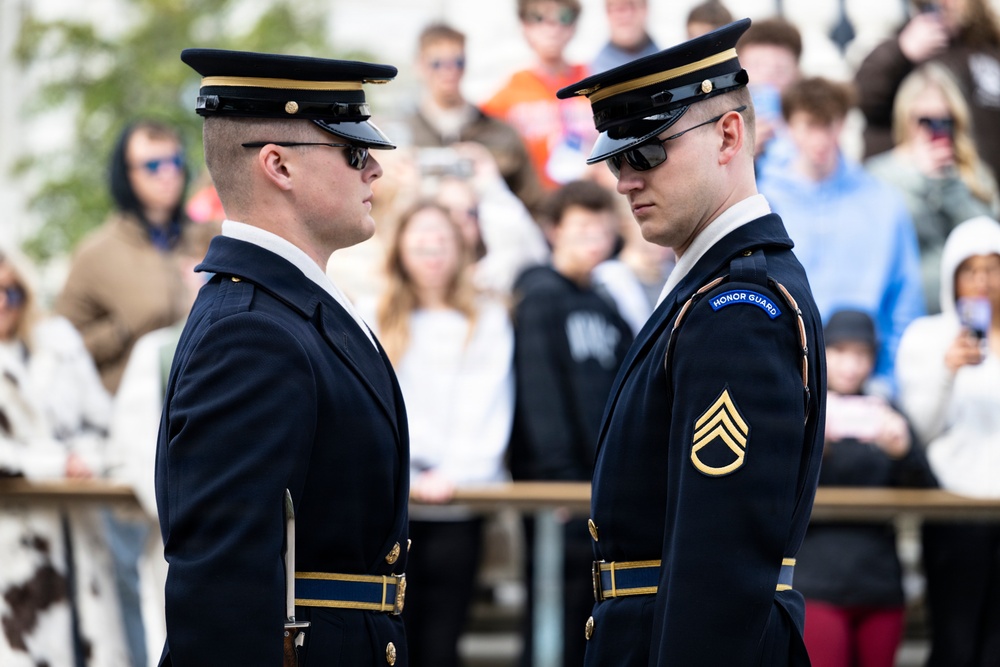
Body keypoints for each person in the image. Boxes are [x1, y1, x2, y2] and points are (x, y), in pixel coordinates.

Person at [556, 18, 826, 665]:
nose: (625, 179)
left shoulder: (738, 307)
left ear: (728, 135)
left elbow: (721, 561)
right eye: (618, 158)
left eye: (647, 152)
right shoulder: (708, 290)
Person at [156, 49, 410, 666]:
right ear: (278, 166)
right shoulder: (251, 335)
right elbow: (221, 589)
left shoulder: (288, 311)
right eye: (353, 150)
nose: (373, 168)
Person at [359, 202, 514, 667]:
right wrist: (400, 475)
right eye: (421, 242)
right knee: (389, 636)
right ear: (400, 249)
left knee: (443, 638)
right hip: (392, 505)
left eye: (442, 242)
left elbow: (486, 403)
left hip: (457, 500)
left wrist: (456, 473)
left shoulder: (484, 318)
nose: (431, 254)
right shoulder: (374, 315)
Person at [508, 179, 633, 667]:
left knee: (591, 612)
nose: (593, 239)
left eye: (602, 228)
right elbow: (539, 397)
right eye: (581, 227)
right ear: (553, 230)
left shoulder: (606, 304)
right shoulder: (538, 297)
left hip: (602, 491)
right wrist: (558, 481)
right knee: (553, 612)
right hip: (558, 495)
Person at [0, 246, 128, 666]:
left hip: (79, 526)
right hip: (13, 544)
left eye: (12, 292)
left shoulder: (59, 342)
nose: (3, 303)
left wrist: (87, 457)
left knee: (92, 643)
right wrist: (56, 464)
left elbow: (103, 421)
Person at [757, 76, 925, 392]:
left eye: (829, 125)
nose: (821, 138)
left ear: (843, 124)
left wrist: (887, 386)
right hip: (785, 381)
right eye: (809, 125)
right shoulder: (764, 205)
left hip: (865, 381)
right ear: (788, 126)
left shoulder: (883, 202)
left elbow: (905, 300)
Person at [796, 309, 936, 667]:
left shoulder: (887, 411)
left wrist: (902, 452)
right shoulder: (803, 410)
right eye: (840, 351)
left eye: (862, 354)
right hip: (818, 580)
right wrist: (810, 441)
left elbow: (928, 490)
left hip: (880, 581)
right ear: (822, 352)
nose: (851, 365)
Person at [896, 215, 1000, 667]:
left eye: (992, 268)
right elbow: (918, 431)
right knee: (955, 644)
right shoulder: (926, 337)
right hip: (952, 506)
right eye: (970, 270)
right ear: (952, 275)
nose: (982, 282)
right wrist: (946, 370)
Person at [56, 120, 197, 396]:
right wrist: (121, 330)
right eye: (153, 165)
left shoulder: (206, 237)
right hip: (132, 417)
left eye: (175, 161)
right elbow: (60, 351)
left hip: (199, 402)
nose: (168, 173)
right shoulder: (95, 253)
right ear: (126, 174)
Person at [865, 62, 999, 313]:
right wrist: (923, 181)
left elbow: (985, 237)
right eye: (924, 120)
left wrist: (947, 183)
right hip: (908, 309)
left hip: (970, 307)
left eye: (943, 120)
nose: (934, 129)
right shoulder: (880, 174)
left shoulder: (972, 172)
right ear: (906, 118)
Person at [404, 22, 544, 214]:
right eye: (437, 63)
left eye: (458, 62)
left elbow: (532, 202)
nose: (449, 71)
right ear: (419, 66)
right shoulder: (403, 136)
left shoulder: (501, 134)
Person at [854, 0, 1000, 181]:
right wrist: (901, 51)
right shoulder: (903, 47)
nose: (945, 3)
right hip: (913, 189)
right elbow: (862, 96)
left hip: (978, 192)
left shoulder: (988, 52)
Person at [481, 0, 597, 189]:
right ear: (524, 26)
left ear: (575, 25)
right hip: (536, 206)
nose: (552, 27)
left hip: (591, 197)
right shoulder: (508, 93)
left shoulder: (594, 80)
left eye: (564, 17)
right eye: (538, 17)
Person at [736, 17, 803, 165]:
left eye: (779, 70)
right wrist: (740, 154)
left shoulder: (811, 123)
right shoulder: (718, 124)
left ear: (797, 73)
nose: (766, 78)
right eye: (756, 66)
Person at [591, 0, 659, 74]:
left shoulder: (671, 63)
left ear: (645, 7)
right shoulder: (587, 72)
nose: (623, 13)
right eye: (613, 6)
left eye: (631, 4)